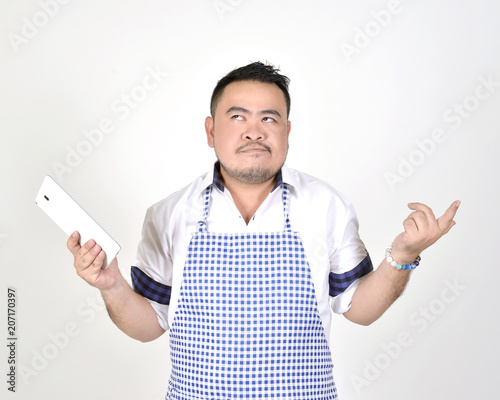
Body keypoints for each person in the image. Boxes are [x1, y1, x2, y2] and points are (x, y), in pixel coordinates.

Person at [67, 61, 460, 399]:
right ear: (210, 130)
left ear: (286, 131)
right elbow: (150, 323)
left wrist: (403, 257)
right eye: (237, 117)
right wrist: (111, 285)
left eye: (268, 118)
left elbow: (359, 309)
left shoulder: (326, 205)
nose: (254, 131)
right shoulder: (168, 214)